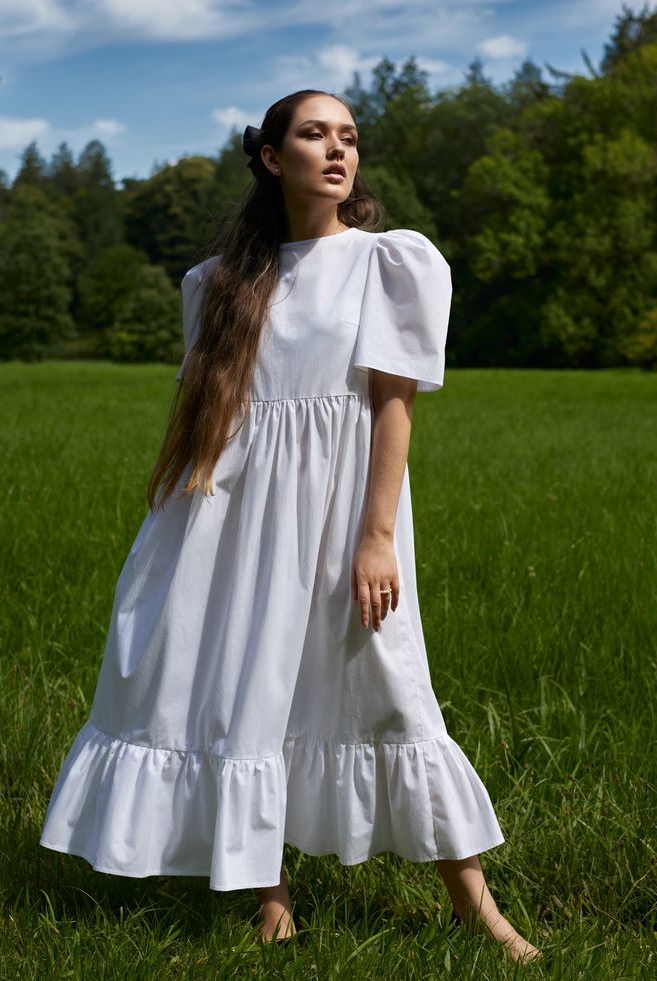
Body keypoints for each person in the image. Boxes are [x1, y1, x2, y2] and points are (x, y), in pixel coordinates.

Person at [39, 88, 541, 964]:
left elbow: (393, 409)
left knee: (390, 690)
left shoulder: (391, 263)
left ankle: (478, 907)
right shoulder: (218, 284)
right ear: (273, 158)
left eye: (349, 137)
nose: (338, 151)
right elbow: (212, 421)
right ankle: (268, 892)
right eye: (316, 135)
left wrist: (376, 533)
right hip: (230, 520)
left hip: (347, 512)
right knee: (244, 688)